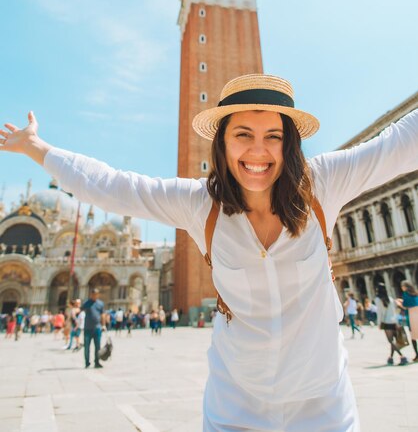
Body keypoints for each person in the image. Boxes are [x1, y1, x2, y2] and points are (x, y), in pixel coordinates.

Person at [1, 73, 417, 432]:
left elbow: (400, 142)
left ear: (289, 144)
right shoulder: (200, 205)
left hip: (325, 410)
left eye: (273, 136)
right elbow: (114, 186)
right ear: (221, 144)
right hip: (234, 412)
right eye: (243, 135)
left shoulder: (324, 184)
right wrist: (37, 148)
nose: (258, 152)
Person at [375, 283, 408, 366]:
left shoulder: (378, 299)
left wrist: (379, 323)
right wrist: (397, 322)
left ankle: (402, 356)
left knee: (391, 341)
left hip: (386, 322)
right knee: (393, 341)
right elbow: (394, 310)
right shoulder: (390, 298)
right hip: (394, 321)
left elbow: (380, 313)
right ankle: (390, 358)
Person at [81, 288, 106, 368]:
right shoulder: (86, 303)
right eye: (93, 294)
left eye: (96, 294)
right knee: (87, 346)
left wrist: (103, 325)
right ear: (91, 295)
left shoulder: (100, 304)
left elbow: (102, 315)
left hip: (97, 328)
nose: (94, 296)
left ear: (98, 295)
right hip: (87, 328)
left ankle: (97, 362)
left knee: (97, 346)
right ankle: (87, 362)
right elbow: (80, 310)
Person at [398, 280, 418, 362]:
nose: (402, 288)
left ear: (405, 287)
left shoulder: (405, 294)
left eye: (402, 286)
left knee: (413, 338)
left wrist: (399, 303)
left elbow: (405, 305)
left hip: (411, 315)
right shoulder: (416, 293)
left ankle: (417, 355)